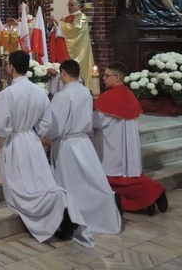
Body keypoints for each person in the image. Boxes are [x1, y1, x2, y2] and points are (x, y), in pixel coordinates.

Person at [0, 50, 93, 247]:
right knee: (39, 178)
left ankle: (53, 208)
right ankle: (59, 203)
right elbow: (47, 120)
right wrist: (34, 133)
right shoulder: (39, 91)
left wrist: (11, 131)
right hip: (32, 140)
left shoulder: (8, 93)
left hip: (15, 141)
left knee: (21, 186)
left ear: (10, 67)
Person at [45, 59, 122, 234]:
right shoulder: (85, 92)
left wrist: (48, 136)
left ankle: (74, 215)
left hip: (66, 145)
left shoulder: (62, 96)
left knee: (72, 184)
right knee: (88, 180)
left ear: (64, 72)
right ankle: (105, 202)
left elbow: (54, 124)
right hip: (83, 142)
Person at [93, 62, 169, 215]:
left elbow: (96, 123)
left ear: (117, 77)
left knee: (114, 179)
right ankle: (150, 199)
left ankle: (154, 191)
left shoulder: (108, 97)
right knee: (127, 177)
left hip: (111, 145)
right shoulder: (128, 94)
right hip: (125, 146)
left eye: (107, 76)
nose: (103, 79)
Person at [49, 0, 95, 86]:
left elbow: (75, 30)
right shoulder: (64, 18)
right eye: (68, 5)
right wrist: (52, 25)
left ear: (78, 6)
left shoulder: (82, 18)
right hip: (63, 52)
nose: (69, 7)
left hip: (77, 52)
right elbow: (58, 32)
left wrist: (59, 25)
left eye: (72, 5)